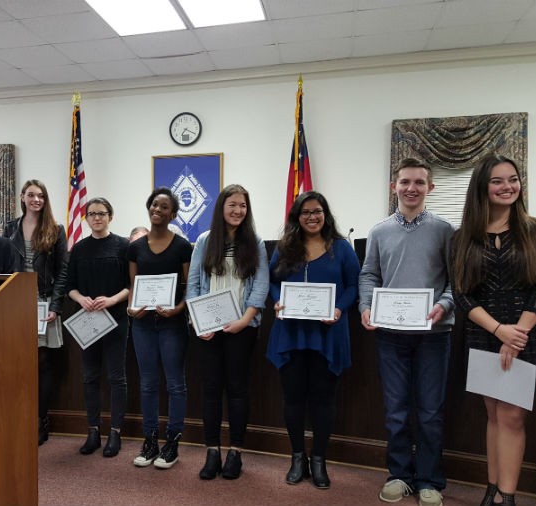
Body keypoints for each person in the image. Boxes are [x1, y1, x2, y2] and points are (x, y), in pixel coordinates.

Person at [453, 154, 536, 506]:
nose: (508, 187)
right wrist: (498, 330)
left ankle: (508, 495)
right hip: (484, 334)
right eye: (498, 181)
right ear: (482, 188)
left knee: (513, 415)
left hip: (527, 335)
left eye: (513, 179)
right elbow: (461, 294)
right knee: (493, 413)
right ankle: (491, 488)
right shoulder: (463, 237)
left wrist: (515, 333)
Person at [358, 158, 455, 506]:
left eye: (418, 182)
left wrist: (444, 305)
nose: (411, 188)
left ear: (430, 187)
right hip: (391, 335)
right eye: (404, 182)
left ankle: (429, 480)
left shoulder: (445, 230)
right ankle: (399, 474)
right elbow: (369, 275)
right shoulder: (380, 231)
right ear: (393, 187)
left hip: (434, 333)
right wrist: (366, 306)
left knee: (430, 411)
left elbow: (455, 282)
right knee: (396, 410)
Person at [267, 191, 360, 489]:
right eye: (305, 212)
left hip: (327, 333)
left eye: (317, 211)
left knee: (323, 399)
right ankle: (297, 457)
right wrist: (278, 301)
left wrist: (339, 308)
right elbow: (272, 281)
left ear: (325, 214)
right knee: (293, 398)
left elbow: (353, 286)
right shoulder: (285, 248)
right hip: (291, 332)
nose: (312, 217)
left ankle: (318, 459)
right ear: (296, 217)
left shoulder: (342, 248)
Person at [186, 184, 268, 480]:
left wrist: (245, 320)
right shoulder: (205, 241)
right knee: (210, 391)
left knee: (237, 389)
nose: (237, 210)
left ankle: (235, 452)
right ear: (221, 208)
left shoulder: (254, 242)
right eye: (232, 205)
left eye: (243, 206)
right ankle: (212, 451)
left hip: (242, 327)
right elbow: (193, 284)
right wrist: (198, 323)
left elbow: (260, 286)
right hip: (209, 329)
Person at [128, 187, 193, 469]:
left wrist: (178, 309)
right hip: (142, 323)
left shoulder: (182, 246)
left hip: (172, 324)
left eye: (164, 207)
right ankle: (150, 440)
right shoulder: (135, 247)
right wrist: (131, 308)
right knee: (148, 383)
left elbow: (189, 287)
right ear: (149, 207)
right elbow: (133, 287)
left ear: (173, 214)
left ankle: (172, 442)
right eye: (154, 204)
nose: (158, 210)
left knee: (176, 384)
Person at [3, 180, 68, 446]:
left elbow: (63, 271)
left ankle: (41, 420)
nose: (36, 200)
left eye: (41, 195)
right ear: (22, 197)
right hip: (15, 303)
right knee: (17, 363)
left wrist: (55, 306)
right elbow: (2, 265)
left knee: (42, 363)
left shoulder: (55, 229)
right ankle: (19, 417)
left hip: (43, 302)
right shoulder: (9, 228)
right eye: (31, 195)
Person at [65, 197, 130, 457]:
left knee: (117, 377)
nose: (96, 218)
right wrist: (80, 298)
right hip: (89, 320)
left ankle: (116, 433)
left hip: (116, 318)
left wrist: (113, 299)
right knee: (90, 377)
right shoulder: (79, 249)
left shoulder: (124, 246)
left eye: (101, 213)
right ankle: (93, 431)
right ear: (86, 218)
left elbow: (132, 284)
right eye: (91, 214)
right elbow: (70, 285)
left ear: (110, 216)